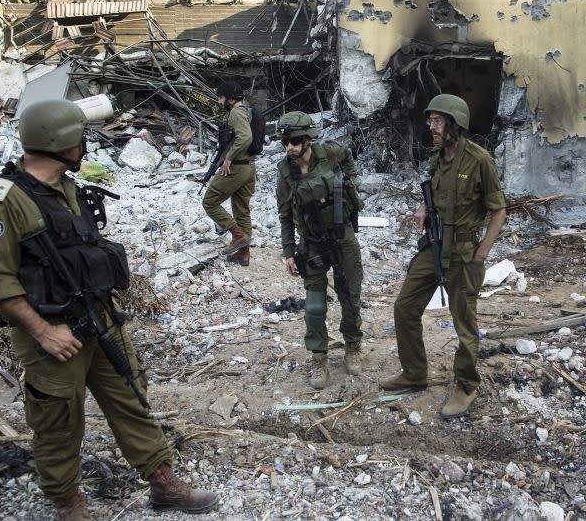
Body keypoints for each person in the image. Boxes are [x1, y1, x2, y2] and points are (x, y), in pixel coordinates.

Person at [0, 99, 218, 520]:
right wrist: (43, 331)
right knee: (58, 421)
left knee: (130, 398)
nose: (85, 145)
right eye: (79, 138)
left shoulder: (67, 187)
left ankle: (162, 482)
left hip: (99, 318)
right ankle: (69, 504)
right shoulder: (1, 200)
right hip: (51, 333)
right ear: (60, 143)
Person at [380, 94, 508, 419]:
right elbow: (432, 192)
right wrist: (423, 209)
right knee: (405, 307)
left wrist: (482, 252)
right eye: (431, 121)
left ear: (454, 124)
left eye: (437, 121)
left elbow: (498, 211)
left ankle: (466, 385)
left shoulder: (479, 160)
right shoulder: (437, 157)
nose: (431, 127)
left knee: (465, 325)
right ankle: (414, 372)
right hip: (434, 246)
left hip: (465, 254)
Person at [275, 111, 365, 389]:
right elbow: (285, 215)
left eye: (295, 140)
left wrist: (349, 184)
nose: (290, 146)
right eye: (285, 142)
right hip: (311, 244)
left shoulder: (329, 153)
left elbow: (349, 156)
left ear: (308, 139)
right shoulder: (285, 173)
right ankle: (318, 356)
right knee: (314, 306)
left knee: (350, 295)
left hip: (342, 237)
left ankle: (352, 345)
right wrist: (288, 251)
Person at [202, 81, 256, 266]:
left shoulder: (236, 113)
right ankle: (244, 254)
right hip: (249, 167)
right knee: (241, 209)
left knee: (209, 201)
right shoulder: (247, 112)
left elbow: (245, 137)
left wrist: (229, 157)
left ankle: (238, 236)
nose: (219, 101)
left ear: (230, 99)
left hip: (237, 167)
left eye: (221, 97)